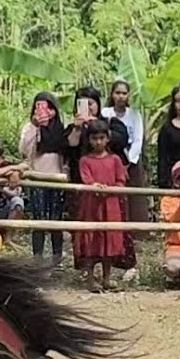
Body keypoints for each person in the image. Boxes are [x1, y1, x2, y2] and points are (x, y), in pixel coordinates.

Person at [73, 118, 132, 292]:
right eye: (94, 138)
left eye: (101, 138)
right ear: (89, 140)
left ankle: (107, 278)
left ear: (108, 138)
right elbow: (87, 179)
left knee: (109, 239)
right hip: (91, 205)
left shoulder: (115, 160)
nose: (98, 142)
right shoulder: (84, 160)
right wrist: (95, 186)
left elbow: (121, 180)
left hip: (111, 204)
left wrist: (111, 189)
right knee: (92, 239)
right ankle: (91, 279)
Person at [19, 91, 68, 266]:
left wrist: (66, 175)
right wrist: (35, 127)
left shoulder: (61, 130)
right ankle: (37, 259)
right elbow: (25, 150)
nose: (42, 111)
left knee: (56, 220)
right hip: (37, 178)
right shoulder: (30, 128)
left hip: (57, 179)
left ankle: (57, 258)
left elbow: (66, 155)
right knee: (38, 220)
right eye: (38, 106)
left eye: (47, 107)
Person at [102, 78, 149, 223]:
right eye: (117, 93)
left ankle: (136, 230)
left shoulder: (135, 114)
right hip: (109, 158)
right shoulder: (105, 113)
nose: (121, 96)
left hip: (131, 160)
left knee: (134, 198)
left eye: (124, 93)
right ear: (112, 94)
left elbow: (138, 140)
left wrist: (128, 162)